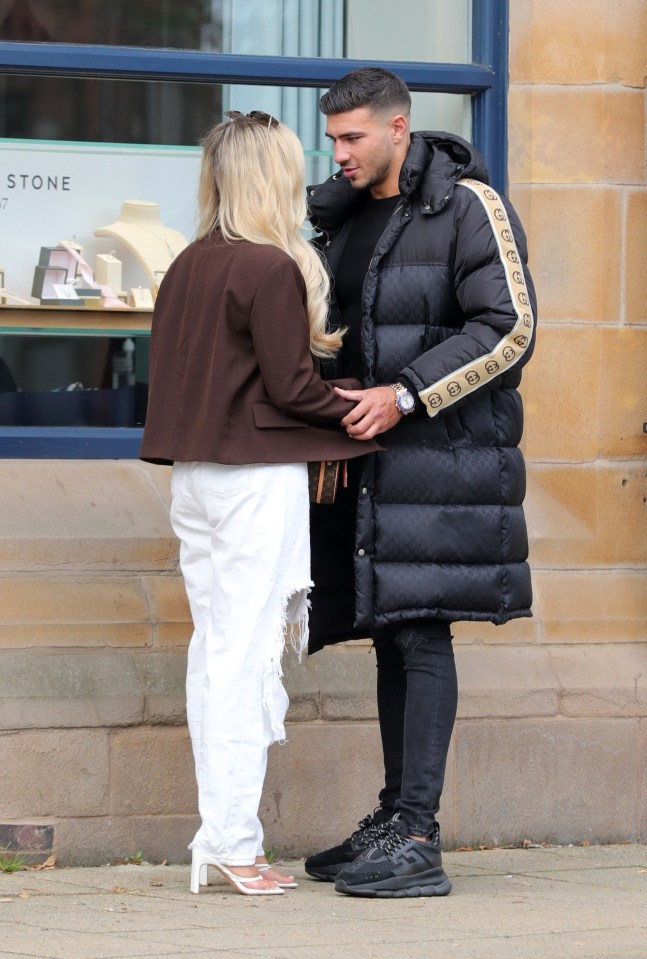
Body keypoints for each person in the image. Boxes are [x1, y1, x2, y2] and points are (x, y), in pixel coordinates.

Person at [303, 68, 537, 898]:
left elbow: (510, 329)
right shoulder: (340, 216)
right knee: (388, 629)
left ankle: (416, 835)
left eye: (351, 137)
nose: (338, 153)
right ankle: (392, 815)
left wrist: (405, 394)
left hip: (440, 460)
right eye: (331, 138)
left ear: (398, 129)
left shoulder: (467, 205)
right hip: (363, 463)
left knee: (421, 632)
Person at [139, 110, 379, 897]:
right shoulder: (270, 267)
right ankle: (235, 844)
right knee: (240, 658)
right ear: (268, 175)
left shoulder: (187, 263)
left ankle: (220, 838)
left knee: (214, 654)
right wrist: (365, 407)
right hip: (251, 480)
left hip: (197, 477)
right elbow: (291, 388)